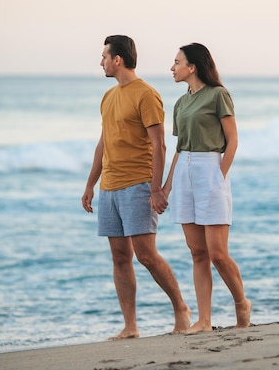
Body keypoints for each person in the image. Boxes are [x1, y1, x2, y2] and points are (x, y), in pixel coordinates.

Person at [82, 35, 190, 339]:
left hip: (137, 185)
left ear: (118, 59)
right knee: (119, 257)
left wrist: (156, 189)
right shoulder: (108, 97)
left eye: (104, 56)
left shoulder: (146, 94)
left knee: (146, 254)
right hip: (110, 188)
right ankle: (130, 326)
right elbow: (103, 143)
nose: (101, 61)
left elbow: (160, 145)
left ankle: (181, 308)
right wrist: (91, 184)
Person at [162, 43, 251, 333]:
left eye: (177, 62)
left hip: (209, 169)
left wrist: (219, 175)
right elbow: (179, 148)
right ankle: (204, 320)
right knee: (197, 252)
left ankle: (242, 304)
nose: (172, 68)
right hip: (184, 171)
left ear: (193, 67)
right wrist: (167, 186)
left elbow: (233, 140)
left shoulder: (218, 95)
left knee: (218, 253)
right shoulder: (180, 103)